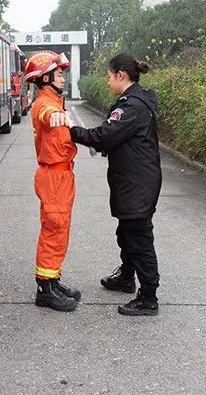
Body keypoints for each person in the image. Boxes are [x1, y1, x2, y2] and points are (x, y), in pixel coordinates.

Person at [68, 53, 162, 316]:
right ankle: (126, 277)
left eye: (109, 77)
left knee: (139, 237)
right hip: (134, 180)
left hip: (137, 182)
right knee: (126, 233)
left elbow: (105, 136)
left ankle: (148, 297)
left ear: (121, 75)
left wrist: (72, 130)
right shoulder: (135, 100)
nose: (107, 82)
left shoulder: (132, 106)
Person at [25, 50, 81, 312]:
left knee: (60, 230)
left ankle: (52, 277)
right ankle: (44, 288)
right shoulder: (45, 104)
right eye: (58, 74)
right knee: (53, 229)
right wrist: (57, 117)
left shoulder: (56, 101)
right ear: (45, 77)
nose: (62, 78)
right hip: (54, 176)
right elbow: (46, 114)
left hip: (62, 174)